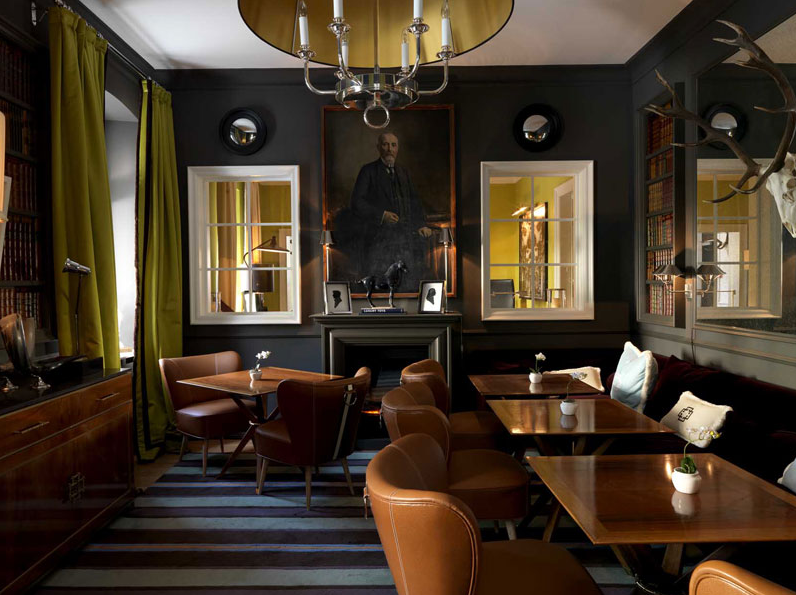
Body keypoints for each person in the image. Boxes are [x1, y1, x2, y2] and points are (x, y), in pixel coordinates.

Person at [350, 132, 432, 286]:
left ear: (397, 148)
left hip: (404, 241)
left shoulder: (403, 172)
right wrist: (381, 215)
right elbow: (356, 202)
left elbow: (414, 202)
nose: (389, 149)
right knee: (380, 281)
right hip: (378, 241)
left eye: (393, 145)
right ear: (378, 147)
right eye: (385, 144)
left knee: (406, 282)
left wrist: (421, 224)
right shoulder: (368, 171)